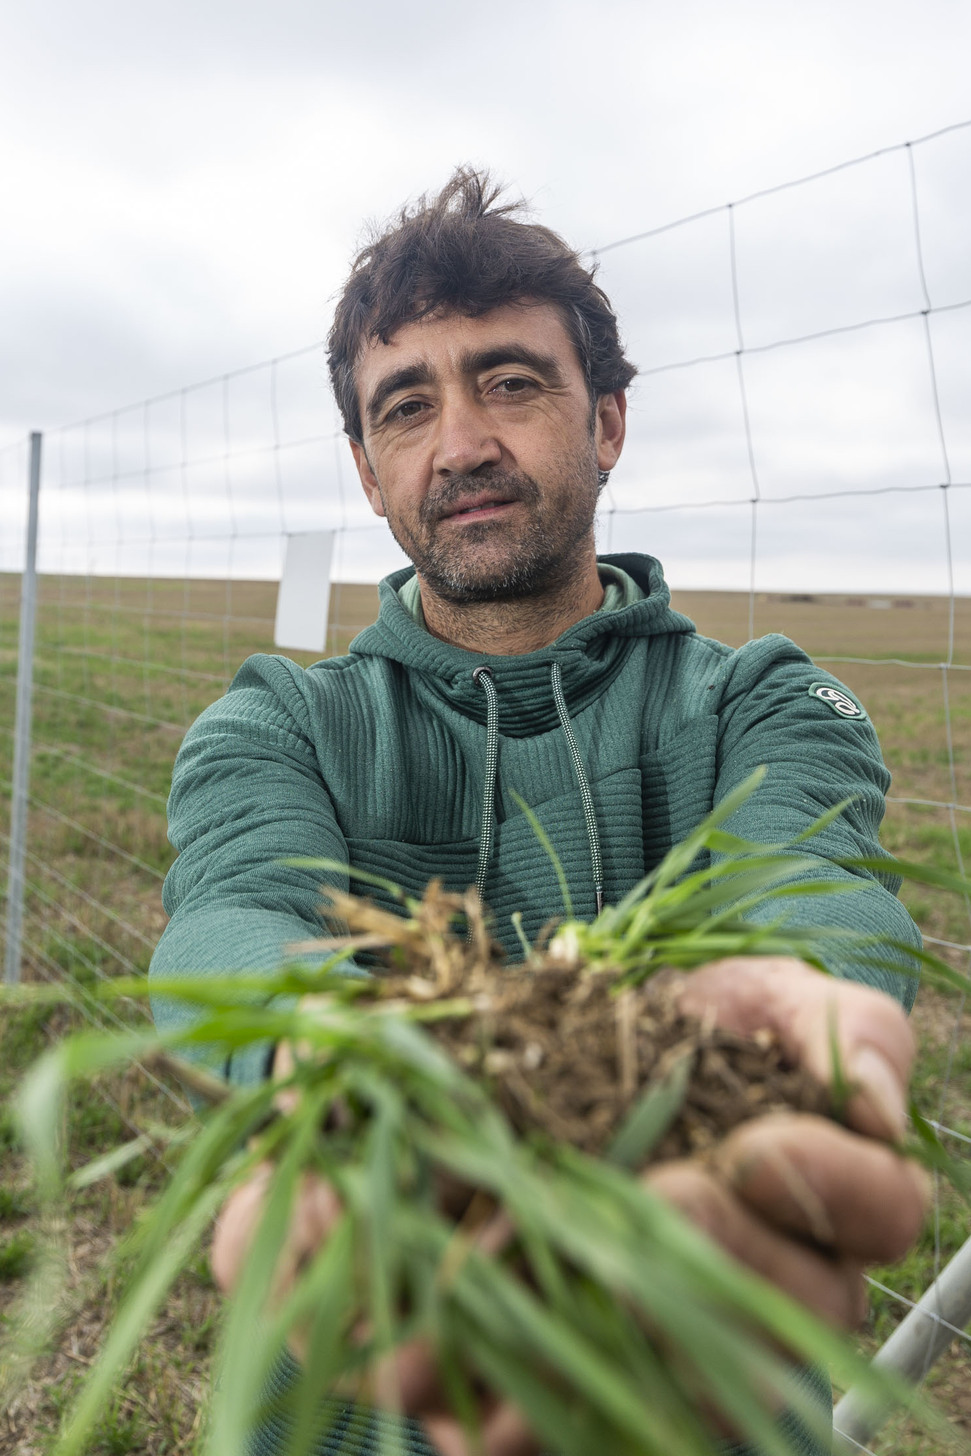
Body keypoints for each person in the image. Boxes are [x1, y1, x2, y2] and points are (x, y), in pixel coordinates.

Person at [150, 169, 928, 1456]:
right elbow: (231, 914)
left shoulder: (759, 703)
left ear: (608, 421)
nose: (459, 443)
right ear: (365, 469)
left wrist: (784, 1006)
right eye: (407, 408)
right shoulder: (277, 723)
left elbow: (812, 889)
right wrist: (326, 1065)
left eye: (509, 382)